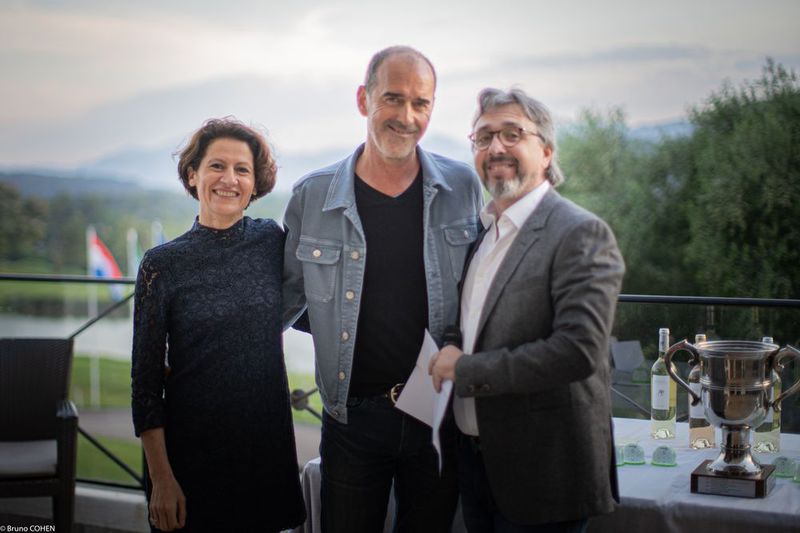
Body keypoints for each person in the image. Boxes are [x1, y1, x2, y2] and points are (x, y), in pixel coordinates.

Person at [283, 46, 483, 532]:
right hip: (351, 418)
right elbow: (285, 299)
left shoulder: (463, 187)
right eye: (393, 98)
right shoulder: (312, 195)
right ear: (363, 99)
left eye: (420, 103)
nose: (406, 116)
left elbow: (484, 291)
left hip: (437, 412)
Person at [429, 88, 625, 532]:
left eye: (512, 133)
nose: (496, 146)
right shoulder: (483, 233)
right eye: (483, 137)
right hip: (476, 465)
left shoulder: (580, 232)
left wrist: (464, 368)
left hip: (544, 475)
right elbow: (469, 321)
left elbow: (578, 351)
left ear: (547, 151)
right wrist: (450, 344)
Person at [131, 118, 305, 532]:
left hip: (265, 449)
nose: (230, 179)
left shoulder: (272, 241)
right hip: (190, 454)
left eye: (242, 169)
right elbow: (145, 383)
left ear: (255, 183)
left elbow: (319, 290)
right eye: (217, 166)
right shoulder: (161, 264)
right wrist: (161, 479)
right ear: (193, 175)